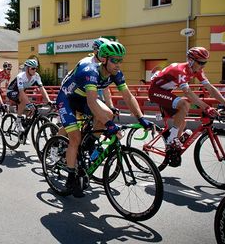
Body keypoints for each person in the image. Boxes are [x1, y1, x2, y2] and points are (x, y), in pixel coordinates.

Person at [55, 41, 153, 197]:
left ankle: (89, 144)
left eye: (121, 60)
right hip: (67, 99)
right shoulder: (90, 70)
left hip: (83, 98)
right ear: (104, 59)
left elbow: (127, 96)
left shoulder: (116, 73)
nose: (118, 64)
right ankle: (71, 178)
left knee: (108, 113)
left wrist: (141, 118)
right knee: (75, 138)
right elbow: (92, 102)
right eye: (114, 60)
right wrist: (109, 125)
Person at [149, 47, 225, 156]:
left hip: (166, 92)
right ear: (191, 60)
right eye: (200, 63)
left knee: (182, 122)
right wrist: (206, 107)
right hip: (155, 91)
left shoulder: (197, 70)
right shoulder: (180, 70)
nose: (203, 65)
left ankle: (171, 147)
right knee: (185, 104)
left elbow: (210, 88)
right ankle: (171, 140)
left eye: (205, 62)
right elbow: (188, 92)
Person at [6, 59, 51, 132]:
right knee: (24, 100)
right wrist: (29, 104)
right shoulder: (20, 76)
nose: (35, 70)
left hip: (22, 93)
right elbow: (21, 92)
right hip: (12, 91)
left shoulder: (36, 76)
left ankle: (24, 131)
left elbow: (42, 88)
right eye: (32, 68)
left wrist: (48, 100)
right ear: (27, 68)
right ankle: (18, 121)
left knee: (32, 109)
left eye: (36, 68)